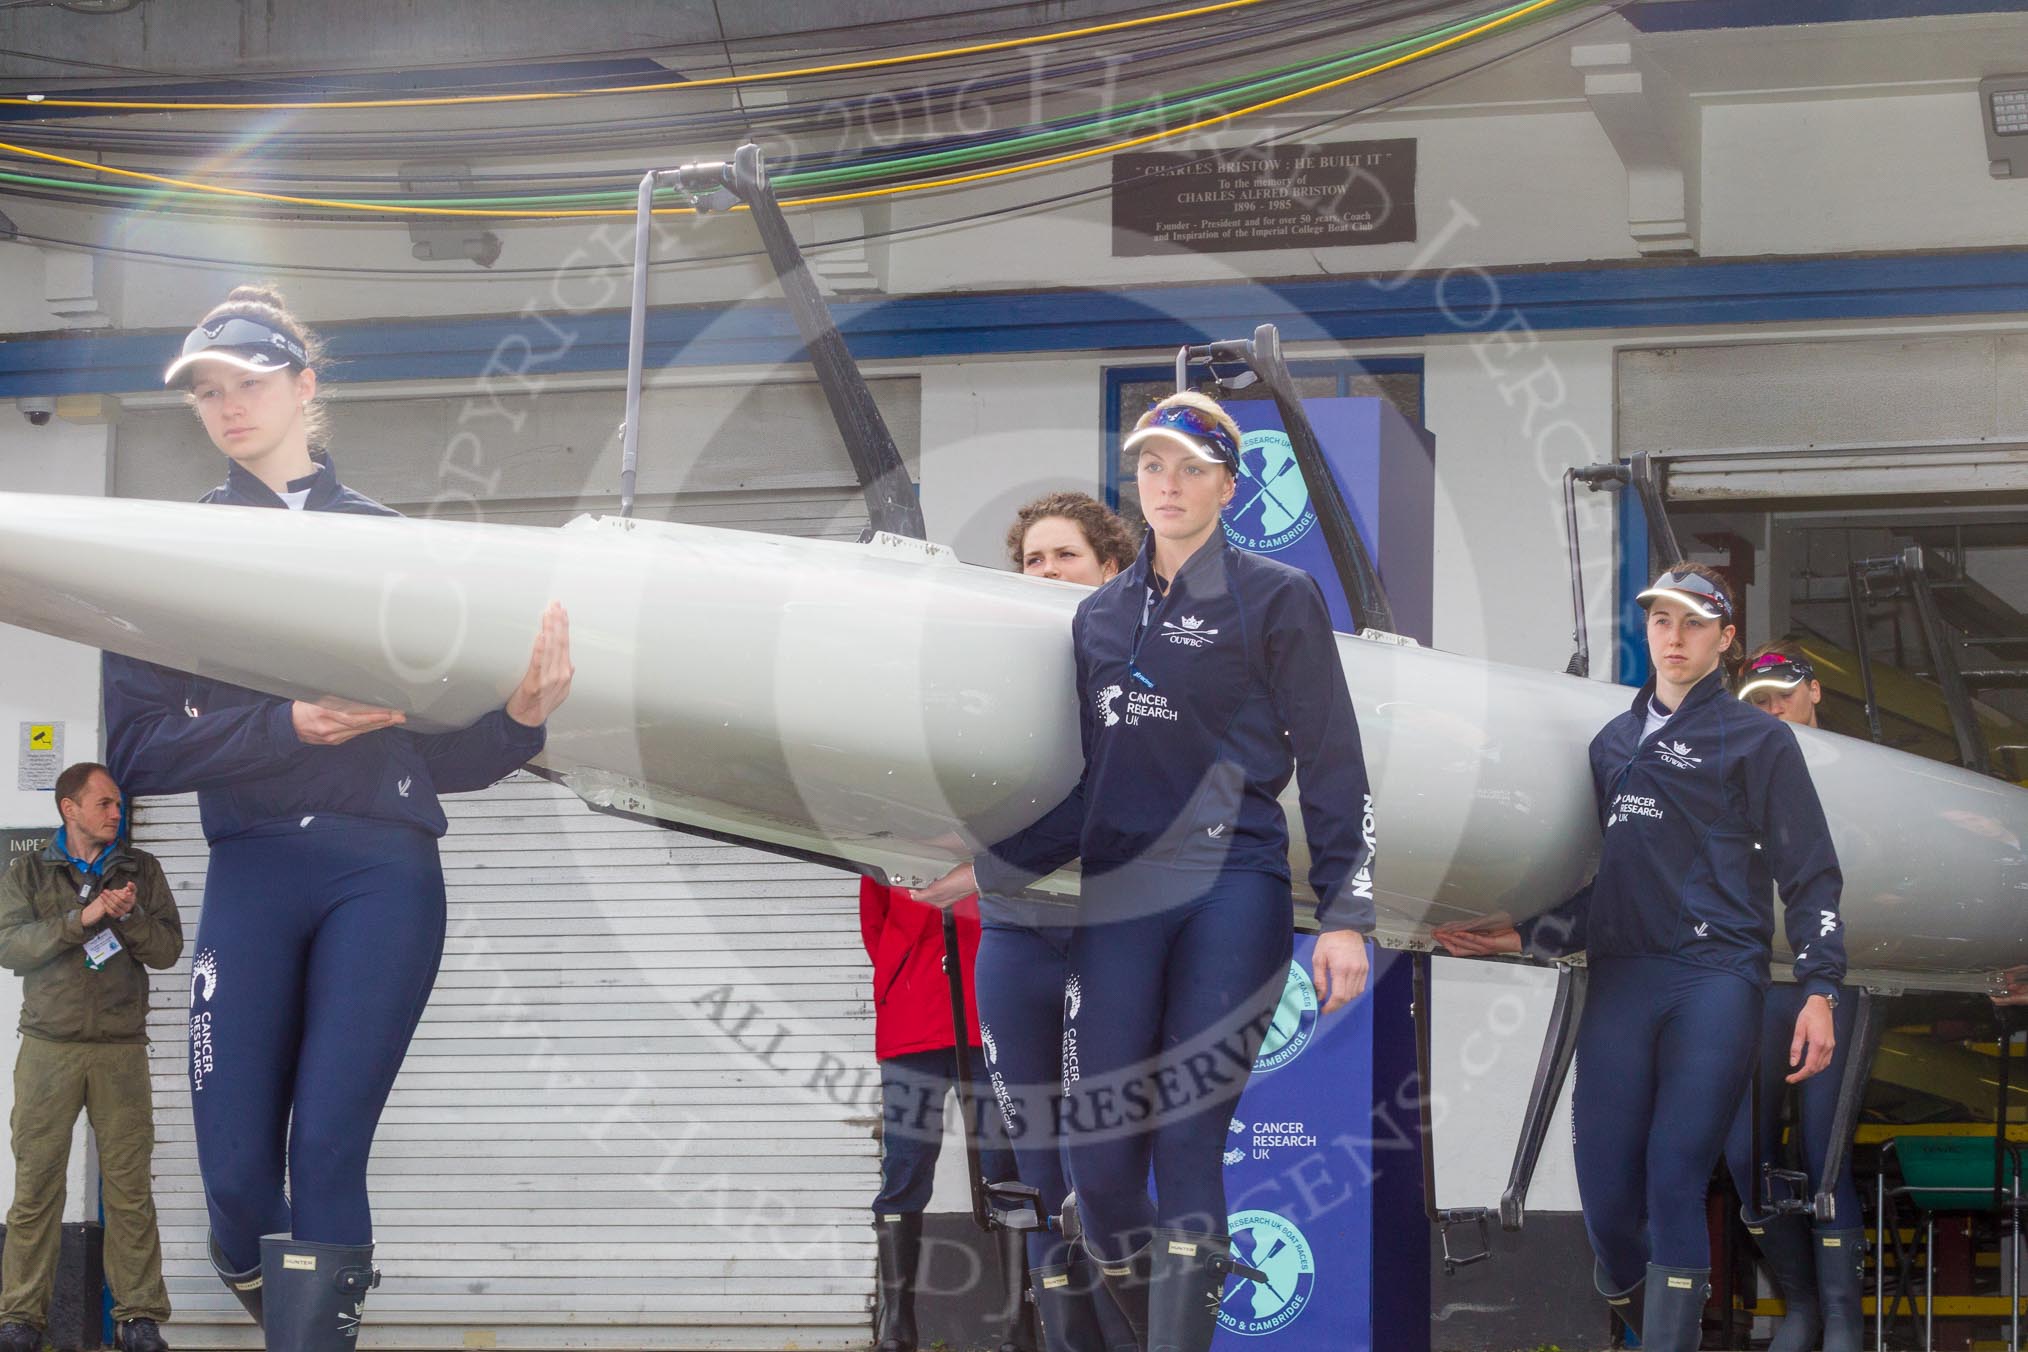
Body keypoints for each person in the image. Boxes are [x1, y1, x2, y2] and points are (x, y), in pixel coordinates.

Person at [102, 285, 574, 1348]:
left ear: (304, 387)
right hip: (254, 870)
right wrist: (289, 726)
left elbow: (431, 754)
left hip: (381, 872)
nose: (229, 406)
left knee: (324, 1153)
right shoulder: (170, 548)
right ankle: (274, 1288)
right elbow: (135, 747)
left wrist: (519, 720)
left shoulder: (392, 545)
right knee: (232, 1174)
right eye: (208, 392)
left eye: (250, 383)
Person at [915, 393, 1376, 1352]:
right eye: (1153, 467)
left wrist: (1344, 914)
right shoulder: (1098, 617)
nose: (1169, 483)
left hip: (1234, 880)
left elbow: (1334, 760)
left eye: (1190, 468)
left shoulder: (1276, 593)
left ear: (1225, 483)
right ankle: (1146, 1314)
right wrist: (996, 865)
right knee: (1101, 1153)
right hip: (1121, 891)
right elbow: (1097, 789)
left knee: (1188, 1135)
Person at [1435, 565, 1845, 1352]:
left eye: (1694, 623)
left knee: (1673, 1176)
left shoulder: (1762, 740)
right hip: (1622, 980)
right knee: (1607, 1202)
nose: (1675, 636)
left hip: (1716, 981)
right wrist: (1522, 934)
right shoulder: (1612, 743)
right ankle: (1652, 1315)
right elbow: (1611, 890)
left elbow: (1811, 872)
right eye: (1661, 620)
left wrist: (1822, 986)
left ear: (1725, 641)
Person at [972, 493, 1139, 1352]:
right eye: (1033, 560)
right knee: (1036, 1174)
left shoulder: (1143, 665)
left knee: (1096, 1167)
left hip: (1103, 939)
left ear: (1111, 567)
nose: (1047, 572)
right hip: (1010, 940)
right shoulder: (1000, 664)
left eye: (1065, 556)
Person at [0, 763, 182, 1352]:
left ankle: (138, 1318)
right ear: (68, 809)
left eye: (119, 804)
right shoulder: (27, 870)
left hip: (120, 1050)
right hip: (48, 1049)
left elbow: (168, 950)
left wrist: (126, 915)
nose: (116, 813)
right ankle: (22, 1319)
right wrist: (84, 918)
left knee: (129, 1188)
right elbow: (10, 946)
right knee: (36, 1186)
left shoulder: (141, 870)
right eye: (103, 803)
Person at [1723, 642, 1864, 1352]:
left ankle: (1841, 1319)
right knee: (1744, 1155)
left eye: (1782, 693)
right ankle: (1800, 1306)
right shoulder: (1738, 767)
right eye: (1759, 700)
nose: (1772, 709)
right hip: (1751, 984)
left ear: (1813, 691)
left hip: (1829, 985)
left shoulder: (1869, 775)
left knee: (1823, 1154)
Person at [858, 878, 1029, 1352]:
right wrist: (902, 969)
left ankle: (1019, 1324)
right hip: (909, 1024)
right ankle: (898, 1325)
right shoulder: (884, 828)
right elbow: (875, 922)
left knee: (1003, 1165)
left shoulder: (987, 816)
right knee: (905, 1165)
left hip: (985, 1011)